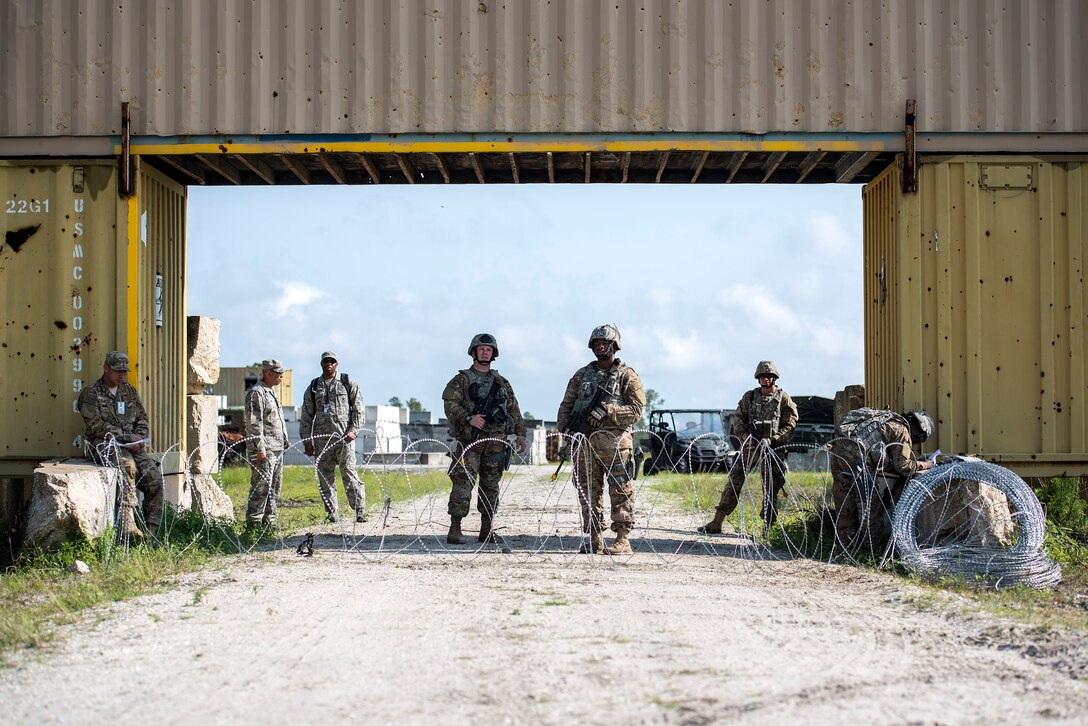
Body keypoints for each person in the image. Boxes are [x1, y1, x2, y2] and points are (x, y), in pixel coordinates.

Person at [556, 324, 645, 555]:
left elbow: (636, 409)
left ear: (614, 346)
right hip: (584, 444)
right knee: (587, 491)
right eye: (596, 344)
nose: (600, 346)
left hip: (615, 444)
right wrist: (566, 430)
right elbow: (566, 405)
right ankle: (594, 536)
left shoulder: (627, 375)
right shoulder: (581, 376)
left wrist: (609, 410)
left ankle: (622, 539)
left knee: (620, 490)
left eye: (604, 343)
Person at [441, 333, 527, 544]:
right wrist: (469, 418)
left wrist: (521, 434)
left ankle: (486, 530)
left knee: (491, 487)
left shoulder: (501, 382)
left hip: (496, 443)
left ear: (493, 354)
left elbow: (514, 409)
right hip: (470, 442)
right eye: (481, 349)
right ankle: (455, 529)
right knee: (463, 484)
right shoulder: (461, 380)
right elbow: (449, 404)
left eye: (489, 349)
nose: (485, 352)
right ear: (473, 352)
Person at [700, 360, 798, 534]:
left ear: (774, 378)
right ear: (757, 378)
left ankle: (768, 528)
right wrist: (746, 437)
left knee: (770, 488)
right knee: (733, 481)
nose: (765, 379)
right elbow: (738, 420)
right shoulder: (750, 397)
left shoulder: (783, 398)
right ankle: (717, 521)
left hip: (772, 449)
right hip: (750, 447)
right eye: (762, 376)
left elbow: (790, 424)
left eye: (769, 376)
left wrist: (774, 439)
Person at [77, 351, 164, 540]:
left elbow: (142, 419)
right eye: (118, 371)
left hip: (132, 445)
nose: (122, 375)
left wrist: (139, 437)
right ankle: (128, 524)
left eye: (124, 371)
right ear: (106, 368)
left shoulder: (129, 391)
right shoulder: (91, 393)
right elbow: (95, 426)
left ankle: (151, 532)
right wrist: (126, 437)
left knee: (155, 478)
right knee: (127, 468)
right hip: (105, 444)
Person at [831, 408, 936, 546]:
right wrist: (927, 464)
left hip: (839, 453)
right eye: (921, 437)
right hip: (859, 460)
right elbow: (903, 466)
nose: (917, 441)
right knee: (870, 505)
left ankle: (846, 545)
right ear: (919, 429)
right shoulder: (902, 430)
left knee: (845, 503)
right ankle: (873, 549)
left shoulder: (886, 419)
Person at [299, 351, 366, 523]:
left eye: (332, 361)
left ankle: (359, 510)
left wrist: (354, 431)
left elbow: (359, 409)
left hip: (344, 438)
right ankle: (332, 512)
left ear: (337, 364)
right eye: (326, 361)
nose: (329, 364)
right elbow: (306, 415)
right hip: (322, 440)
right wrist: (307, 441)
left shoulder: (346, 382)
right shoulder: (314, 386)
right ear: (321, 364)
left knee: (349, 473)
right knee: (325, 477)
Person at [244, 359, 289, 528]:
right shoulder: (257, 393)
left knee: (274, 487)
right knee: (261, 487)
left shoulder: (271, 392)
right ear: (268, 373)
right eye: (278, 373)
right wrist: (259, 448)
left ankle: (269, 522)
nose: (281, 377)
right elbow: (254, 423)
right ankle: (254, 523)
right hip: (265, 450)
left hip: (276, 448)